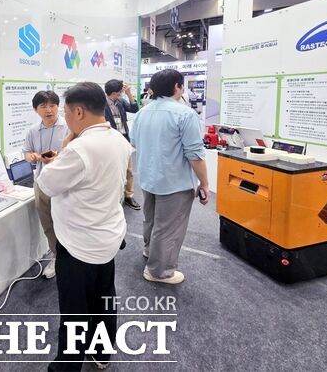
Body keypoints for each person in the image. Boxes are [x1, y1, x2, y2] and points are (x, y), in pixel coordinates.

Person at [37, 82, 133, 371]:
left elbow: (46, 184)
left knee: (74, 312)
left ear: (78, 112)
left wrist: (66, 145)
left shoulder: (79, 149)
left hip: (79, 245)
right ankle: (101, 353)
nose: (64, 118)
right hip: (107, 236)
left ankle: (66, 368)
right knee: (104, 299)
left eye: (65, 112)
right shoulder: (118, 139)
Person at [130, 69, 209, 285]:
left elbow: (134, 142)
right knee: (169, 228)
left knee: (151, 219)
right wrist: (204, 183)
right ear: (177, 86)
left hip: (148, 178)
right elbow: (195, 154)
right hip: (174, 182)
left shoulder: (142, 113)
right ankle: (159, 271)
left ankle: (150, 251)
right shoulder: (185, 114)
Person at [23, 90, 69, 278]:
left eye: (52, 105)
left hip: (64, 184)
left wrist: (58, 158)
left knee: (66, 221)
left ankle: (71, 257)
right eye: (43, 106)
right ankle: (56, 256)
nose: (49, 110)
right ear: (36, 109)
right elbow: (26, 153)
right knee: (48, 223)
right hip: (41, 182)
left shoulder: (68, 128)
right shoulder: (33, 131)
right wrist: (32, 157)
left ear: (58, 107)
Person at [103, 79, 141, 210]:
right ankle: (113, 197)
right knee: (111, 169)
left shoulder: (121, 102)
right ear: (111, 93)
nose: (119, 95)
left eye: (120, 93)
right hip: (109, 140)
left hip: (124, 138)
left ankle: (129, 195)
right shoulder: (101, 104)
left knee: (129, 169)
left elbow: (135, 109)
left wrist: (129, 93)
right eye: (117, 93)